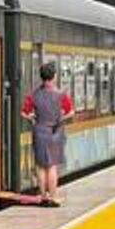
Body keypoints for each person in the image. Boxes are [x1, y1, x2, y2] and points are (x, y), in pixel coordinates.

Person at [20, 62, 73, 207]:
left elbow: (24, 112)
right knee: (52, 166)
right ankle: (53, 197)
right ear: (54, 76)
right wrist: (60, 118)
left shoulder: (33, 95)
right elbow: (70, 112)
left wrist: (32, 118)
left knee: (40, 166)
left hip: (39, 131)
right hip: (55, 131)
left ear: (41, 77)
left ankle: (43, 196)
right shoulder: (61, 94)